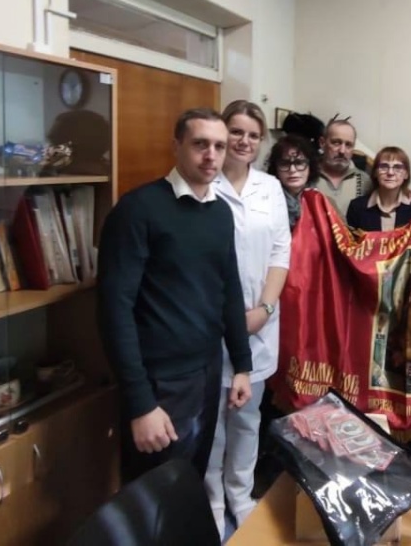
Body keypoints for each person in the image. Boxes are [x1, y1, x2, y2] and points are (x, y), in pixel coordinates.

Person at [97, 108, 252, 484]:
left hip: (207, 372)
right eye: (200, 144)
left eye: (219, 146)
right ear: (176, 146)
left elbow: (229, 289)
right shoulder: (138, 210)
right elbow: (114, 309)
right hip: (159, 383)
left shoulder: (220, 212)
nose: (211, 155)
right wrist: (140, 404)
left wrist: (242, 365)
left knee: (189, 480)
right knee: (152, 492)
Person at [205, 100, 291, 536]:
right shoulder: (204, 183)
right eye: (236, 132)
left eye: (253, 135)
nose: (244, 141)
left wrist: (265, 309)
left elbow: (280, 252)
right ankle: (212, 501)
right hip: (210, 326)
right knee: (212, 423)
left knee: (247, 417)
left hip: (258, 323)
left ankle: (240, 495)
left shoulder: (270, 188)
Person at [346, 146, 411, 231]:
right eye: (384, 166)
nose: (390, 172)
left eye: (397, 167)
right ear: (375, 172)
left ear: (406, 174)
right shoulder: (356, 208)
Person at [314, 118, 373, 216]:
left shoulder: (365, 181)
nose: (342, 151)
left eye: (348, 145)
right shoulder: (306, 177)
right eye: (336, 143)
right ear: (322, 143)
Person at [266, 133, 320, 230]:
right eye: (284, 164)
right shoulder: (265, 203)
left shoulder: (322, 202)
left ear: (310, 166)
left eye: (299, 163)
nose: (292, 170)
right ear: (275, 168)